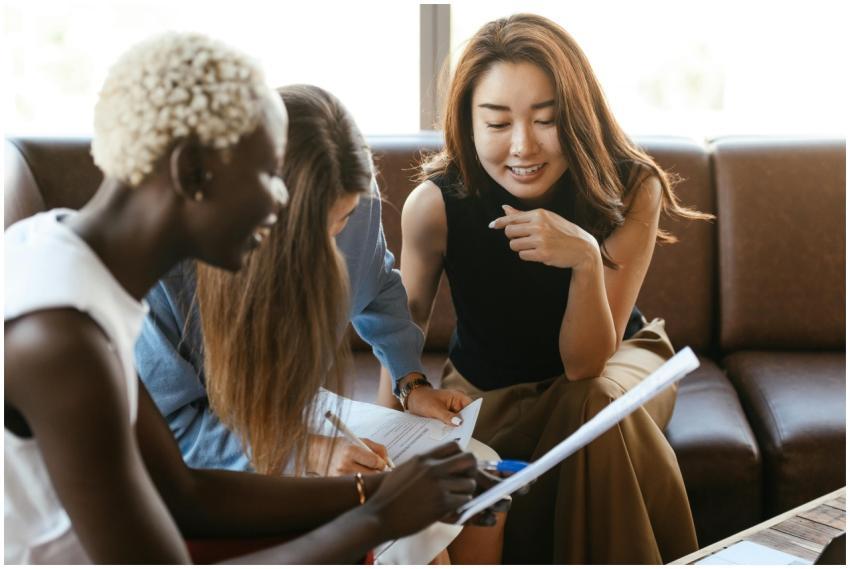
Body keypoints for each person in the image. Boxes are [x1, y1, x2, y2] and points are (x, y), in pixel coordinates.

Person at [4, 32, 486, 564]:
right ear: (192, 173)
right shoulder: (58, 338)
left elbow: (187, 493)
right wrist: (377, 517)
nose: (278, 201)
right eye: (265, 176)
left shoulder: (78, 271)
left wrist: (380, 492)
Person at [377, 13, 712, 564]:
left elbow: (586, 366)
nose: (524, 146)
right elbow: (401, 328)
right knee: (585, 415)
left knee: (594, 403)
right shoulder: (435, 205)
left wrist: (584, 259)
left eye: (546, 119)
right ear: (468, 123)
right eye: (498, 122)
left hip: (618, 363)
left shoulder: (632, 187)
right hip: (489, 386)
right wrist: (383, 438)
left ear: (576, 115)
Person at [137, 83, 507, 564]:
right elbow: (172, 433)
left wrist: (409, 381)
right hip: (215, 453)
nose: (334, 245)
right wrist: (305, 452)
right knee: (413, 529)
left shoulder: (355, 201)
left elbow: (377, 285)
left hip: (297, 409)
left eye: (345, 219)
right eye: (316, 227)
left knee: (477, 470)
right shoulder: (167, 266)